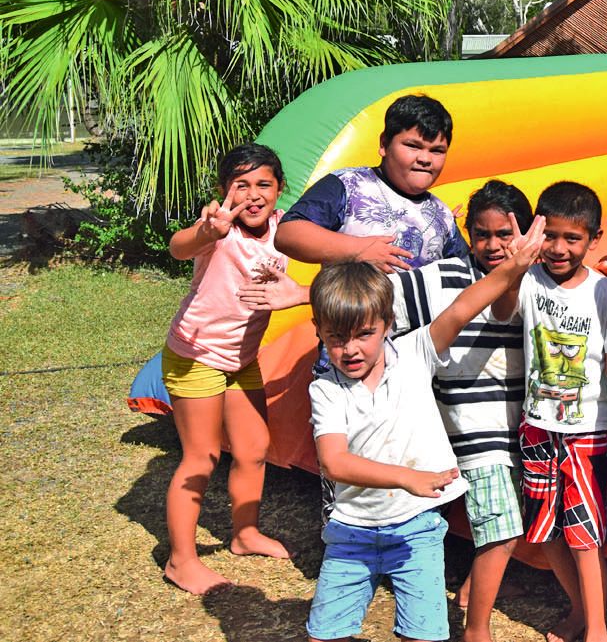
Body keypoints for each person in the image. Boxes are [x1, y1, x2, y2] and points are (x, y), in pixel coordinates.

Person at [304, 219, 544, 642]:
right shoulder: (326, 389)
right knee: (327, 634)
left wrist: (512, 269)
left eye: (364, 334)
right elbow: (333, 461)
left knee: (426, 634)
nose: (350, 349)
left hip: (416, 530)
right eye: (336, 338)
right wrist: (406, 477)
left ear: (388, 324)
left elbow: (461, 308)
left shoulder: (414, 353)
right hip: (350, 533)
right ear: (319, 331)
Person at [387, 180, 534, 642]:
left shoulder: (542, 278)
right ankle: (477, 630)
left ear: (527, 233)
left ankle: (472, 591)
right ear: (467, 233)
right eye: (482, 234)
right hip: (474, 424)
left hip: (525, 425)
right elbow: (374, 297)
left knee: (512, 521)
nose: (493, 245)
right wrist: (302, 293)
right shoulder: (444, 276)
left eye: (504, 234)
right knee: (503, 528)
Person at [160, 143, 292, 594]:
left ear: (279, 190)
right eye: (241, 185)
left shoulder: (284, 231)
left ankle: (244, 533)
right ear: (224, 191)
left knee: (254, 449)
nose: (254, 195)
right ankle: (180, 561)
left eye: (264, 185)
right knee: (202, 456)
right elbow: (179, 247)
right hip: (196, 353)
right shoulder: (219, 231)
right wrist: (206, 231)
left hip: (241, 358)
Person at [516, 182, 607, 642]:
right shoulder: (527, 280)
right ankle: (580, 612)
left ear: (595, 239)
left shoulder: (604, 294)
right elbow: (502, 302)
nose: (560, 248)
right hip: (537, 428)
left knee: (584, 536)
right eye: (551, 236)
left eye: (574, 238)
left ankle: (598, 631)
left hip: (589, 432)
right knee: (546, 532)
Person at [276, 93, 469, 273]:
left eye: (437, 150)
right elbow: (288, 233)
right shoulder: (349, 184)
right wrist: (359, 250)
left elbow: (468, 273)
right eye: (413, 146)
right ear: (384, 144)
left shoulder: (442, 215)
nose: (425, 158)